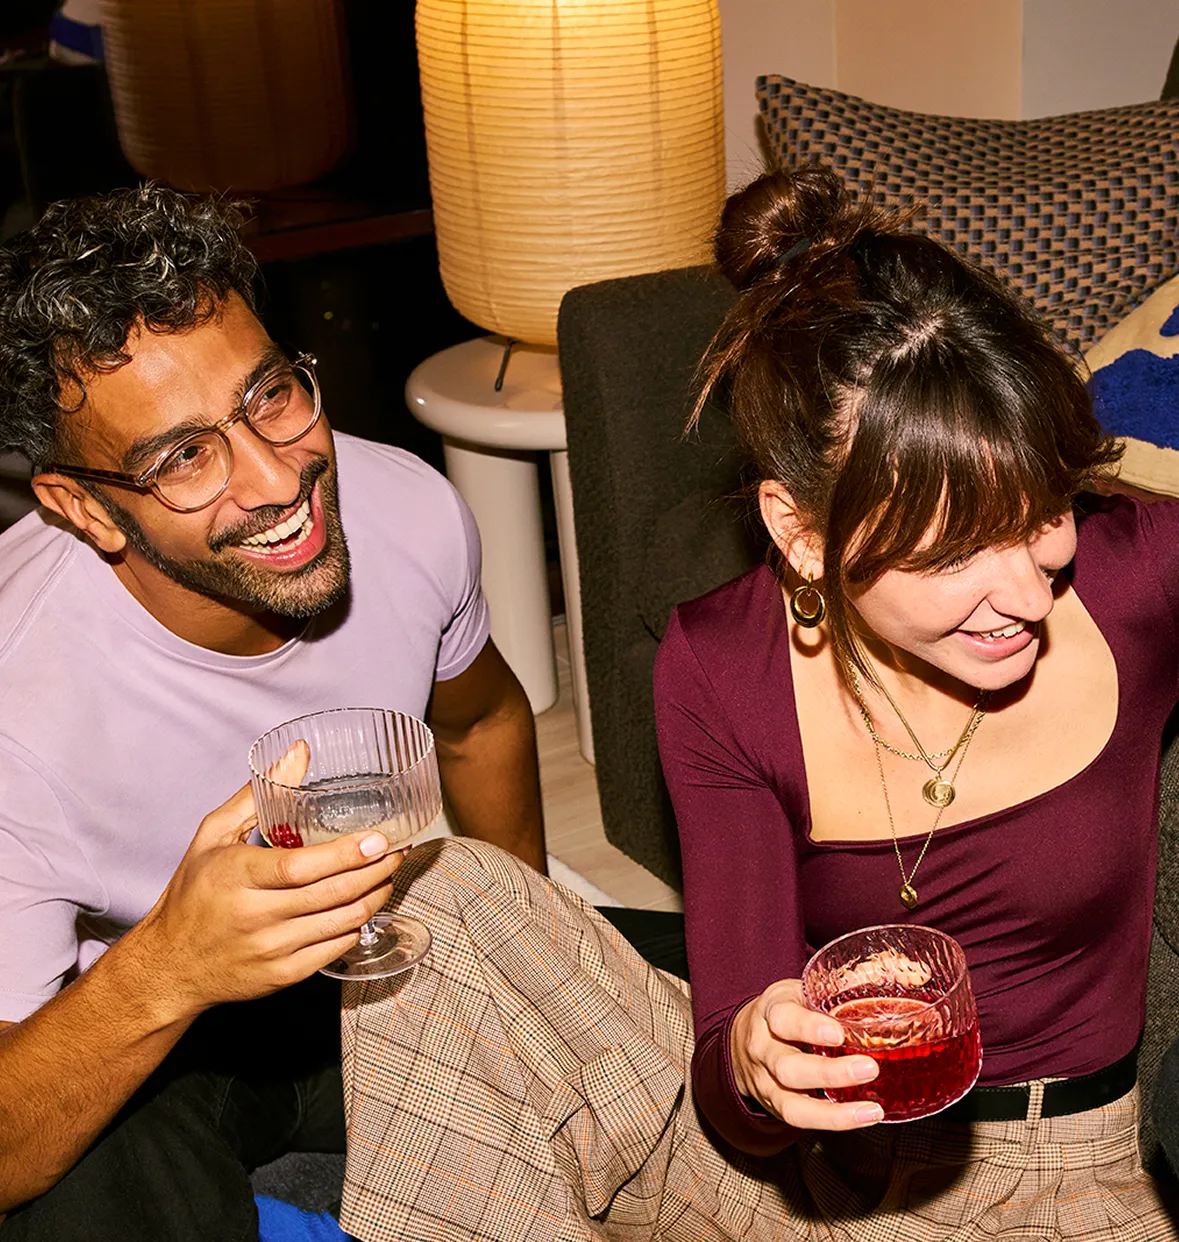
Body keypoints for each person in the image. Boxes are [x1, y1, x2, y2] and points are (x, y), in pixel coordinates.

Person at [331, 164, 1179, 1242]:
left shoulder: (1139, 576)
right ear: (804, 533)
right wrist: (755, 1058)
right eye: (958, 549)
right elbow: (733, 1072)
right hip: (799, 1166)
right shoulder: (721, 661)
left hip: (1058, 1184)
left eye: (1042, 513)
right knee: (441, 897)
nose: (1026, 589)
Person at [0, 184, 548, 1237]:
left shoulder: (404, 507)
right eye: (182, 459)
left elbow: (481, 725)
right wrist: (169, 965)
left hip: (382, 949)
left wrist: (511, 938)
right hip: (162, 1034)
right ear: (81, 506)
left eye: (272, 397)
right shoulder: (19, 721)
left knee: (691, 1040)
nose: (278, 478)